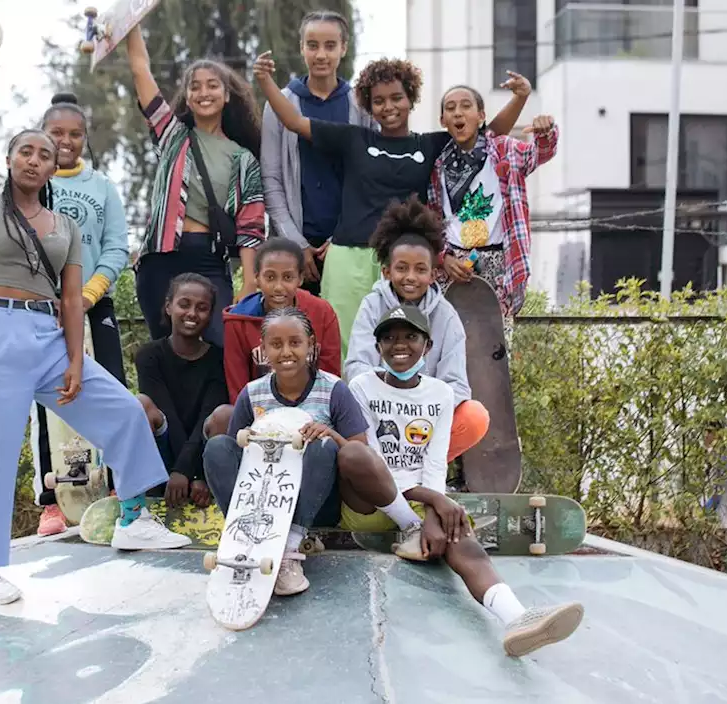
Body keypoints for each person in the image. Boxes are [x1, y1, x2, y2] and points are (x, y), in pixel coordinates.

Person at [0, 55, 189, 606]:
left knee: (121, 410)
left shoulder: (65, 226)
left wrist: (75, 360)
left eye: (45, 154)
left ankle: (133, 518)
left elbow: (73, 298)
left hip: (49, 338)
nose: (35, 159)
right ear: (10, 159)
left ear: (53, 169)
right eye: (27, 149)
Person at [339, 302, 584, 657]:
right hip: (372, 500)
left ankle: (516, 618)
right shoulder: (362, 386)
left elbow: (436, 462)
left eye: (410, 336)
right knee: (354, 455)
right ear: (377, 348)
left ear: (428, 345)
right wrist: (435, 501)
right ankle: (411, 527)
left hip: (421, 500)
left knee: (461, 537)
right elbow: (377, 463)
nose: (399, 345)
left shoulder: (440, 393)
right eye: (389, 338)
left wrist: (437, 511)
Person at [252, 51, 530, 357]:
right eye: (379, 100)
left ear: (410, 99)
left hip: (404, 263)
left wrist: (520, 98)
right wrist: (265, 81)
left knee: (400, 347)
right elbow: (293, 121)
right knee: (343, 343)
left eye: (396, 97)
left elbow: (486, 134)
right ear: (369, 106)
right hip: (349, 259)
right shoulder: (354, 139)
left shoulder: (432, 145)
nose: (388, 107)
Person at [202, 307, 371, 596]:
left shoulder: (334, 390)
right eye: (276, 344)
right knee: (218, 446)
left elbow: (360, 452)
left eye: (295, 342)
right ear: (263, 350)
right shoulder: (253, 393)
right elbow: (235, 458)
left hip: (315, 504)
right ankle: (242, 538)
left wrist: (330, 434)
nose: (286, 352)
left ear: (311, 346)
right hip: (263, 503)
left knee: (321, 443)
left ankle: (289, 549)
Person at [124, 26, 266, 347]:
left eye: (213, 86)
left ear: (226, 95)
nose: (204, 92)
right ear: (187, 97)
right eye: (195, 87)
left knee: (218, 345)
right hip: (160, 258)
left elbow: (251, 227)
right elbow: (139, 69)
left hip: (207, 259)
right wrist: (130, 22)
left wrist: (249, 284)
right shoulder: (173, 136)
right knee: (166, 349)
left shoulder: (243, 158)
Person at [31, 92, 132, 536]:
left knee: (111, 391)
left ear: (85, 138)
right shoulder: (31, 185)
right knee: (45, 399)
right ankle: (52, 501)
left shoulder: (102, 186)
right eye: (57, 133)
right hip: (46, 306)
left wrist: (89, 294)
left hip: (93, 302)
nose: (66, 141)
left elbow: (117, 247)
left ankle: (117, 486)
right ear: (42, 136)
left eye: (75, 134)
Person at [344, 196, 490, 464]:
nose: (410, 277)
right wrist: (391, 394)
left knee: (474, 416)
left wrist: (420, 401)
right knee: (345, 409)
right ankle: (379, 472)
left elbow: (457, 385)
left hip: (424, 424)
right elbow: (355, 367)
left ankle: (420, 471)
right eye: (402, 268)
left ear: (434, 275)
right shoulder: (372, 306)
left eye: (420, 269)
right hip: (379, 415)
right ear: (387, 272)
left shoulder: (446, 316)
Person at [260, 10, 377, 295]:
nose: (321, 54)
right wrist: (297, 243)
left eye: (330, 45)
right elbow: (271, 179)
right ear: (302, 48)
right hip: (294, 248)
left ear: (343, 48)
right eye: (312, 45)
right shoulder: (281, 103)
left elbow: (370, 178)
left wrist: (340, 237)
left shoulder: (360, 104)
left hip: (348, 243)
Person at [429, 85, 559, 321]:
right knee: (450, 347)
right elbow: (433, 220)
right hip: (453, 268)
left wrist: (545, 131)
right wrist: (443, 258)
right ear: (442, 120)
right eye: (451, 108)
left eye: (466, 106)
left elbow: (540, 153)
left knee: (495, 349)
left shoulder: (504, 150)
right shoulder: (437, 165)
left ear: (481, 116)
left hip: (499, 266)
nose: (458, 113)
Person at [211, 237, 342, 436]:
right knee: (223, 417)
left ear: (300, 278)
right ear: (257, 278)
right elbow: (237, 385)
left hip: (313, 415)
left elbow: (331, 376)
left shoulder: (322, 312)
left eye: (287, 278)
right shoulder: (238, 319)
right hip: (260, 414)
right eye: (270, 277)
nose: (279, 287)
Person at [135, 273, 228, 508]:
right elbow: (167, 414)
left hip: (202, 461)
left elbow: (206, 417)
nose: (192, 314)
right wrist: (179, 473)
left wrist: (196, 474)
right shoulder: (149, 356)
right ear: (168, 306)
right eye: (184, 304)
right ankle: (144, 495)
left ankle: (214, 489)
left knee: (224, 415)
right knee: (141, 404)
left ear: (210, 315)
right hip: (164, 459)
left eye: (202, 307)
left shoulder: (218, 359)